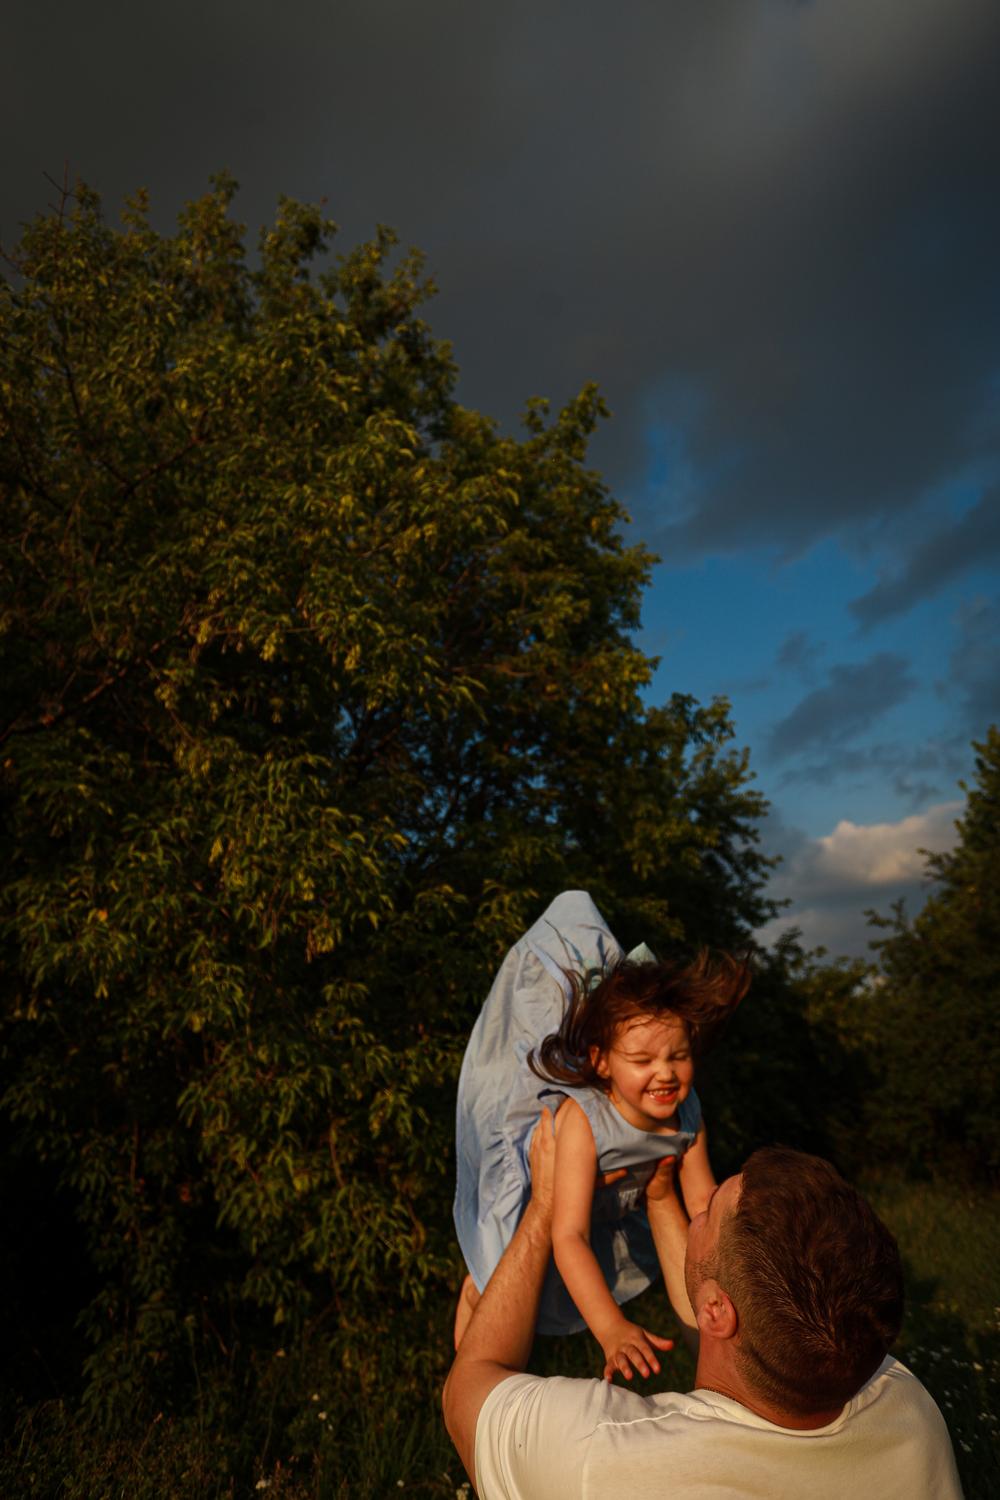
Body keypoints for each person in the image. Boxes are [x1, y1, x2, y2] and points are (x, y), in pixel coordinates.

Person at [443, 1120, 963, 1499]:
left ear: (717, 1307)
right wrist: (663, 1198)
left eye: (710, 1208)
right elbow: (749, 1345)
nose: (703, 1198)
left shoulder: (603, 1458)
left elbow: (467, 1389)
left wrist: (543, 1205)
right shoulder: (905, 1407)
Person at [453, 890, 749, 1381]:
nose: (665, 1074)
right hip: (549, 1206)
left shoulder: (687, 1112)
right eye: (643, 1061)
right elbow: (567, 1235)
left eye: (678, 1056)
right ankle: (471, 1370)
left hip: (616, 1211)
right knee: (498, 1285)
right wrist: (611, 1328)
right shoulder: (583, 1120)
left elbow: (701, 1201)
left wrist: (735, 1266)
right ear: (602, 1063)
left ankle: (726, 1377)